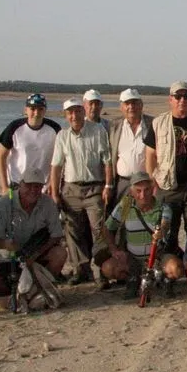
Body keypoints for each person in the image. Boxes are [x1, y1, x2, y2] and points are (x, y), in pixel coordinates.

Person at [50, 97, 113, 284]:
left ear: (83, 112)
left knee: (99, 229)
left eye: (77, 111)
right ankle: (82, 270)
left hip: (94, 187)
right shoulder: (62, 136)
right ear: (66, 115)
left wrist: (108, 185)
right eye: (70, 112)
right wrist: (55, 193)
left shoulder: (98, 130)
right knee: (73, 231)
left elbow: (107, 161)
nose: (74, 115)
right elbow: (56, 166)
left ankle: (103, 270)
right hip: (71, 189)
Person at [143, 81, 187, 253]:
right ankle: (170, 269)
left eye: (186, 96)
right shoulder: (158, 123)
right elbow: (150, 155)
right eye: (178, 96)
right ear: (171, 99)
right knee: (167, 231)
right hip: (167, 188)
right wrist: (152, 182)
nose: (182, 100)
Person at [0, 167, 67, 309]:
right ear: (20, 185)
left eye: (37, 186)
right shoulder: (4, 204)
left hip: (32, 254)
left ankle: (34, 290)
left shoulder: (48, 203)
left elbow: (56, 235)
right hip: (5, 256)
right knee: (5, 304)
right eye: (29, 186)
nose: (33, 190)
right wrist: (7, 244)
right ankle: (32, 294)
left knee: (60, 253)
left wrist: (34, 255)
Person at [102, 172, 182, 298]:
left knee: (175, 268)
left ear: (152, 190)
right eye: (138, 191)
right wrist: (114, 249)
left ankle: (164, 280)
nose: (142, 195)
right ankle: (133, 279)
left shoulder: (162, 207)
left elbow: (165, 224)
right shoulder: (126, 206)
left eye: (146, 190)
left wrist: (161, 232)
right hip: (132, 257)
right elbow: (108, 227)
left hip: (157, 257)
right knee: (108, 268)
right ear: (131, 192)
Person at [0, 93, 61, 195]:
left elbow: (59, 159)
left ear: (45, 110)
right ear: (26, 110)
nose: (36, 113)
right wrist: (4, 187)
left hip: (43, 185)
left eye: (40, 109)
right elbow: (1, 156)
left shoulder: (54, 129)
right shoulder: (14, 127)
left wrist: (52, 183)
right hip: (17, 183)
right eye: (33, 109)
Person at [108, 88, 154, 210]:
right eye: (127, 103)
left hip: (145, 183)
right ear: (121, 107)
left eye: (134, 103)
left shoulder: (153, 124)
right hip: (123, 183)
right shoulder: (114, 126)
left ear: (141, 105)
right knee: (123, 217)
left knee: (145, 216)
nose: (131, 107)